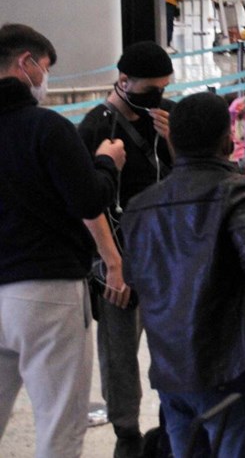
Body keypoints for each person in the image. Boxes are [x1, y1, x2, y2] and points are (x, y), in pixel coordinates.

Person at [121, 93, 245, 458]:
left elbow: (134, 280)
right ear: (227, 139)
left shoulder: (139, 207)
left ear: (172, 140)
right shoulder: (234, 191)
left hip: (171, 369)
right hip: (233, 363)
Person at [0, 24, 125, 458]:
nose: (45, 78)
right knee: (59, 423)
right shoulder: (46, 128)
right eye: (45, 68)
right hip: (46, 290)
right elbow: (87, 199)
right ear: (25, 64)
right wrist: (107, 164)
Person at [77, 41, 174, 458]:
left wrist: (175, 141)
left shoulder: (164, 121)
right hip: (116, 257)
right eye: (151, 89)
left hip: (164, 254)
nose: (158, 97)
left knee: (174, 343)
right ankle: (126, 432)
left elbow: (182, 176)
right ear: (124, 81)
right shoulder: (95, 128)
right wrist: (111, 265)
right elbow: (85, 205)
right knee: (119, 353)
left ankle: (174, 420)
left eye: (164, 88)